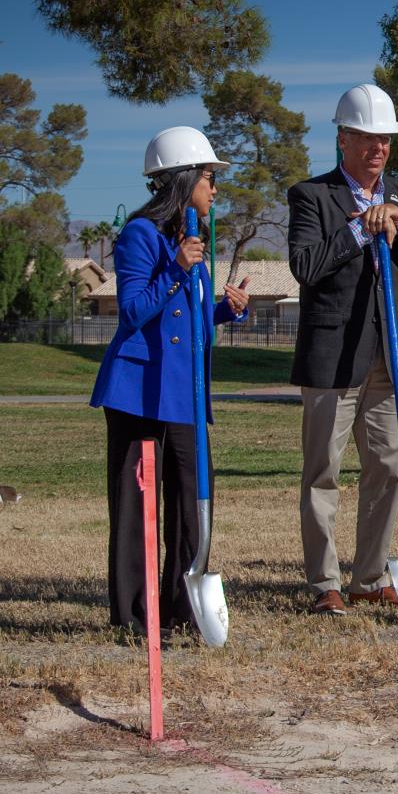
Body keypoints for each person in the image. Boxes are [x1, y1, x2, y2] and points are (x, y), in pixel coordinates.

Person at [287, 83, 398, 616]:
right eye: (368, 138)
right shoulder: (311, 196)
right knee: (322, 473)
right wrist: (359, 231)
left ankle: (370, 576)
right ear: (344, 139)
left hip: (392, 356)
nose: (378, 148)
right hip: (333, 358)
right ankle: (324, 583)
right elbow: (305, 266)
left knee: (390, 467)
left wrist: (397, 227)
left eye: (386, 140)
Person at [91, 126, 250, 636]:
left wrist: (225, 309)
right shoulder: (140, 235)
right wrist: (178, 268)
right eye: (208, 178)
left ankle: (182, 606)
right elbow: (134, 313)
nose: (215, 189)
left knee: (191, 496)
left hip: (184, 390)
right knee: (138, 505)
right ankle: (135, 616)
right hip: (138, 389)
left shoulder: (195, 242)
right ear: (183, 182)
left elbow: (189, 319)